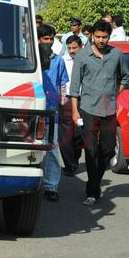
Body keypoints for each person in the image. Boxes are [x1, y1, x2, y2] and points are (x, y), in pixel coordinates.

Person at [69, 20, 129, 205]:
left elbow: (125, 77)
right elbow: (74, 86)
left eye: (105, 37)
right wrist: (74, 111)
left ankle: (93, 182)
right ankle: (92, 191)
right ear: (92, 36)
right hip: (87, 108)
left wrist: (115, 93)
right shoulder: (82, 56)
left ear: (109, 37)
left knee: (109, 149)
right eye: (98, 36)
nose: (101, 40)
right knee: (90, 149)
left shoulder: (117, 54)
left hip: (109, 109)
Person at [37, 27, 69, 202]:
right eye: (45, 39)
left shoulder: (58, 61)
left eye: (51, 39)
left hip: (52, 112)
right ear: (39, 40)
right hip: (34, 112)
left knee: (53, 150)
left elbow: (62, 85)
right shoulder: (31, 60)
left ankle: (51, 186)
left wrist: (62, 106)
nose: (48, 42)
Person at [60, 35, 84, 176]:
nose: (71, 50)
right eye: (69, 48)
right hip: (67, 101)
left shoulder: (88, 60)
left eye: (74, 48)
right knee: (66, 134)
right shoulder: (63, 61)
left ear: (81, 47)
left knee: (80, 133)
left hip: (84, 100)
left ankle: (74, 159)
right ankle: (70, 165)